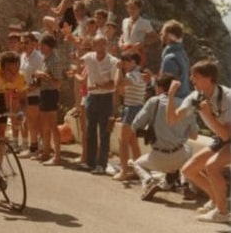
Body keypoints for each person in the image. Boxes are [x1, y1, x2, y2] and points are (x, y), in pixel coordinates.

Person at [166, 60, 231, 223]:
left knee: (212, 166)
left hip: (227, 137)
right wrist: (171, 95)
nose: (192, 79)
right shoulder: (196, 97)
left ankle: (222, 213)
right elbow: (172, 119)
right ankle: (217, 201)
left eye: (196, 76)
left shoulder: (228, 98)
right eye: (192, 75)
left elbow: (226, 136)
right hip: (222, 138)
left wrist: (208, 115)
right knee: (189, 170)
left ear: (210, 79)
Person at [131, 74, 198, 200]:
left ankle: (149, 181)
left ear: (159, 87)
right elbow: (194, 135)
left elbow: (135, 126)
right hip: (179, 154)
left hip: (158, 157)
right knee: (188, 151)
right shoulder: (186, 105)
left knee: (137, 164)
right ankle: (185, 184)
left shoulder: (153, 102)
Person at [79, 35, 119, 174]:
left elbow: (114, 83)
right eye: (96, 45)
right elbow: (78, 59)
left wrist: (98, 86)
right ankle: (90, 163)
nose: (99, 48)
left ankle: (101, 164)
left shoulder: (113, 61)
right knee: (90, 130)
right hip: (92, 97)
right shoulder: (89, 57)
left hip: (106, 98)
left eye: (102, 45)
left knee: (104, 132)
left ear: (106, 45)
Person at [32, 33, 66, 164]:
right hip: (44, 92)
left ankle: (57, 156)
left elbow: (58, 83)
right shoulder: (45, 59)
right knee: (44, 124)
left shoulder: (55, 60)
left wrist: (44, 76)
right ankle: (46, 152)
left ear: (48, 46)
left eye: (42, 45)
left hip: (51, 93)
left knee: (52, 125)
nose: (40, 47)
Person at [114, 52, 146, 180]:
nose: (124, 65)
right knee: (133, 142)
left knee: (123, 141)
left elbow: (118, 85)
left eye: (126, 62)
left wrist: (118, 69)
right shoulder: (131, 74)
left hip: (133, 109)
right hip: (131, 108)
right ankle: (139, 171)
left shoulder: (136, 75)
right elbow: (121, 91)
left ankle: (124, 171)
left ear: (133, 62)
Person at [18, 32, 44, 158]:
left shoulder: (38, 58)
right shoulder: (22, 56)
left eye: (26, 42)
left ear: (34, 43)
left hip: (35, 93)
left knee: (35, 122)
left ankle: (38, 148)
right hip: (25, 93)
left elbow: (39, 78)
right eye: (22, 42)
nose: (24, 45)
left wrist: (28, 89)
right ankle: (35, 147)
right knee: (30, 122)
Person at [118, 0, 158, 68]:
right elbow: (123, 34)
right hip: (126, 52)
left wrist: (142, 43)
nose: (131, 10)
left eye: (133, 8)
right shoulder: (125, 21)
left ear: (139, 9)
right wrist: (120, 43)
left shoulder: (144, 23)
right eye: (129, 8)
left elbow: (155, 37)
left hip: (138, 53)